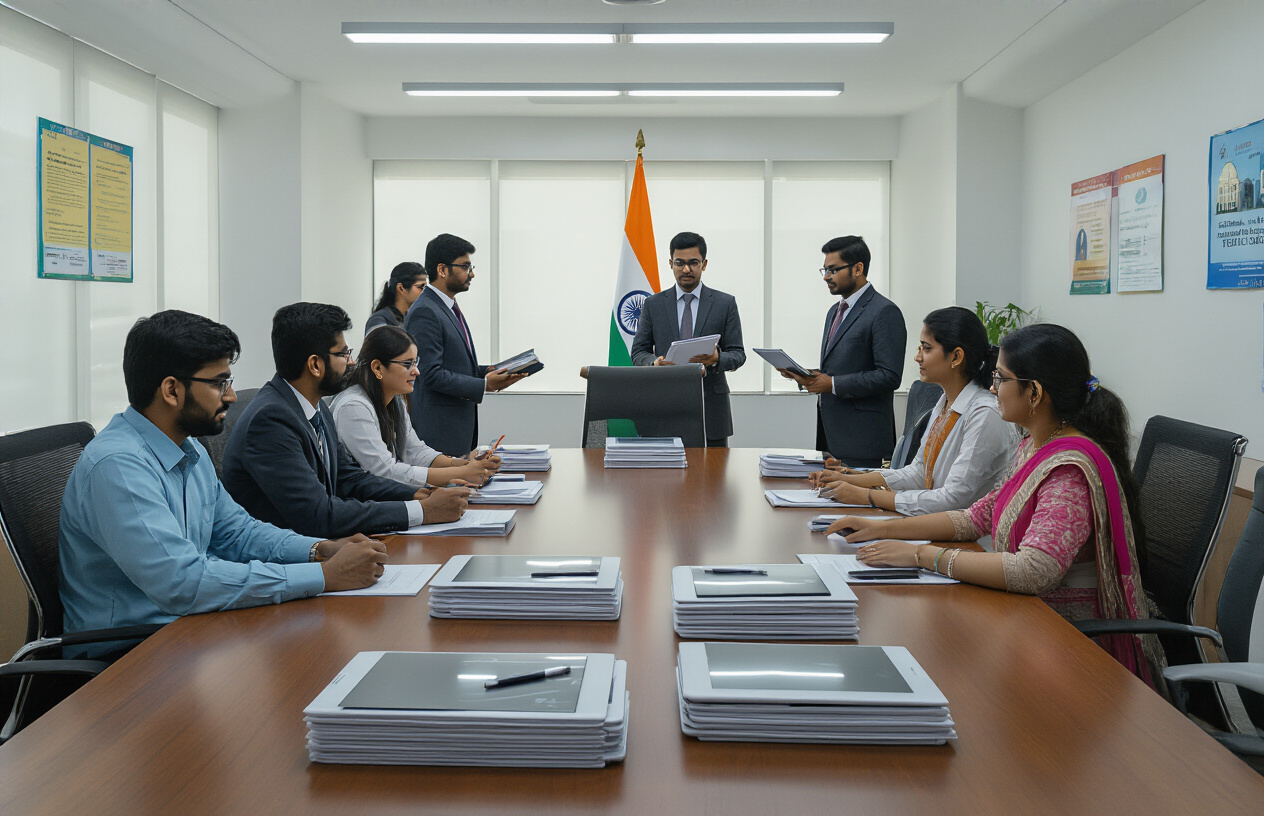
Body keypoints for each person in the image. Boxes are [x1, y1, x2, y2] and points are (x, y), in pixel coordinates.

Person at [827, 323, 1164, 688]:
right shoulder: (1034, 444)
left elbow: (1034, 571)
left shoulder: (1068, 469)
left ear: (1033, 392)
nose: (992, 388)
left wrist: (922, 556)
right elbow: (978, 516)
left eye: (1000, 378)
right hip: (1025, 617)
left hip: (1066, 644)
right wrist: (880, 527)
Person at [58, 310, 388, 657]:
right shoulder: (119, 466)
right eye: (219, 383)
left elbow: (237, 533)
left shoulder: (188, 448)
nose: (230, 397)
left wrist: (318, 550)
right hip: (126, 657)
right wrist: (324, 577)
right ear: (171, 389)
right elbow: (182, 583)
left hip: (187, 630)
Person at [222, 302, 468, 538]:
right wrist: (422, 512)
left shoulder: (315, 406)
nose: (351, 362)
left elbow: (351, 479)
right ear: (315, 365)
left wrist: (420, 495)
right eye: (343, 353)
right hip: (287, 558)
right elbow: (318, 515)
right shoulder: (271, 420)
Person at [810, 306, 1019, 514]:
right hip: (933, 523)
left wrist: (867, 496)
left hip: (969, 540)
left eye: (926, 348)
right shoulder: (946, 401)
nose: (917, 357)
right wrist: (850, 478)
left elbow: (954, 499)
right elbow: (919, 472)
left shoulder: (985, 414)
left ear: (956, 357)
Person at [780, 235, 905, 467]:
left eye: (833, 270)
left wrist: (832, 384)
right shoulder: (834, 311)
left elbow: (889, 375)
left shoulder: (884, 311)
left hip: (863, 439)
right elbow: (839, 368)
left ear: (858, 268)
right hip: (831, 436)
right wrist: (808, 376)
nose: (826, 277)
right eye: (825, 270)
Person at [330, 325, 503, 487]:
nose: (416, 371)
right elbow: (384, 471)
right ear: (377, 367)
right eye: (407, 364)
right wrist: (462, 473)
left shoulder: (395, 399)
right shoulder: (353, 407)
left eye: (415, 362)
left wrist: (464, 464)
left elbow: (415, 451)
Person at [404, 233, 526, 456]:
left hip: (456, 429)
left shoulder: (446, 307)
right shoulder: (425, 311)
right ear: (442, 269)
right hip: (438, 432)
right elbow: (430, 374)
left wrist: (488, 371)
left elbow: (453, 365)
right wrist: (485, 385)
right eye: (465, 266)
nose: (472, 274)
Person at [630, 231, 746, 447]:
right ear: (670, 263)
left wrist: (717, 358)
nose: (686, 269)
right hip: (664, 406)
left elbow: (738, 354)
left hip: (710, 408)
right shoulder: (653, 304)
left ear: (704, 264)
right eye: (679, 263)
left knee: (713, 478)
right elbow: (638, 352)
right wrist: (654, 363)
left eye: (693, 262)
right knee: (664, 479)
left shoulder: (724, 303)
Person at [365, 261, 426, 336]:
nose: (424, 292)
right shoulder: (378, 320)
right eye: (420, 287)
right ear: (401, 288)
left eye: (425, 288)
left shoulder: (414, 319)